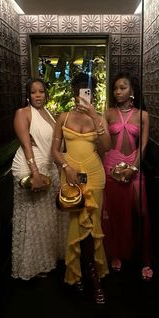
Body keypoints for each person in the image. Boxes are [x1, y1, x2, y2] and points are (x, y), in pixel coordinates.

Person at [51, 72, 111, 304]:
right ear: (73, 93)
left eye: (87, 91)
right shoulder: (63, 117)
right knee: (77, 225)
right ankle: (83, 275)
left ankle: (90, 276)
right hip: (71, 175)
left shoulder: (99, 118)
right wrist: (66, 167)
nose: (82, 96)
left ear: (92, 94)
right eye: (78, 92)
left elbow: (106, 147)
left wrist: (96, 117)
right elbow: (55, 151)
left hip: (95, 176)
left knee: (92, 225)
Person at [11, 78, 68, 280]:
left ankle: (46, 258)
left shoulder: (49, 113)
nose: (38, 95)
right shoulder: (23, 113)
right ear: (28, 94)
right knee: (33, 216)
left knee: (46, 217)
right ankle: (32, 265)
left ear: (46, 94)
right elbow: (27, 145)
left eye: (41, 92)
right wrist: (35, 172)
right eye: (34, 92)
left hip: (48, 165)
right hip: (30, 165)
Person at [102, 71, 153, 281]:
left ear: (132, 90)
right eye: (115, 88)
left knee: (140, 212)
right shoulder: (107, 114)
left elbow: (144, 145)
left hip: (134, 165)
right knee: (114, 213)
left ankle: (145, 259)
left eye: (122, 88)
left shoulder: (143, 115)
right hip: (111, 166)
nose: (118, 92)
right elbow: (103, 145)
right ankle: (116, 253)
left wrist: (133, 167)